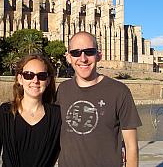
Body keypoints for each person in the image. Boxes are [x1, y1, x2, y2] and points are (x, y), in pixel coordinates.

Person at [56, 31, 142, 167]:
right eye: (76, 53)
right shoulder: (62, 90)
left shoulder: (119, 92)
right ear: (68, 57)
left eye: (89, 52)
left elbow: (131, 147)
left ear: (99, 56)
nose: (83, 58)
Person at [0, 54, 61, 167]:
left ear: (48, 80)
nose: (35, 80)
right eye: (28, 75)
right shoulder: (4, 113)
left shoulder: (57, 116)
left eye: (42, 76)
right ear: (20, 79)